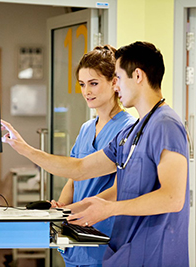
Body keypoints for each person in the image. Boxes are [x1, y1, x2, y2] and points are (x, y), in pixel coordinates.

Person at [1, 41, 189, 267]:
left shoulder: (166, 125)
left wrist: (110, 208)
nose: (116, 85)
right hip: (128, 250)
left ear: (137, 76)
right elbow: (79, 169)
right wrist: (24, 149)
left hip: (156, 253)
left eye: (117, 77)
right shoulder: (132, 133)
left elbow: (173, 198)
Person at [51, 45, 136, 267]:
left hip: (103, 235)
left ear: (114, 83)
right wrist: (60, 210)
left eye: (94, 83)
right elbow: (73, 177)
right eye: (82, 84)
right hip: (75, 233)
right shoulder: (86, 128)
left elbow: (120, 189)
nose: (86, 91)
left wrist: (72, 211)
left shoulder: (128, 129)